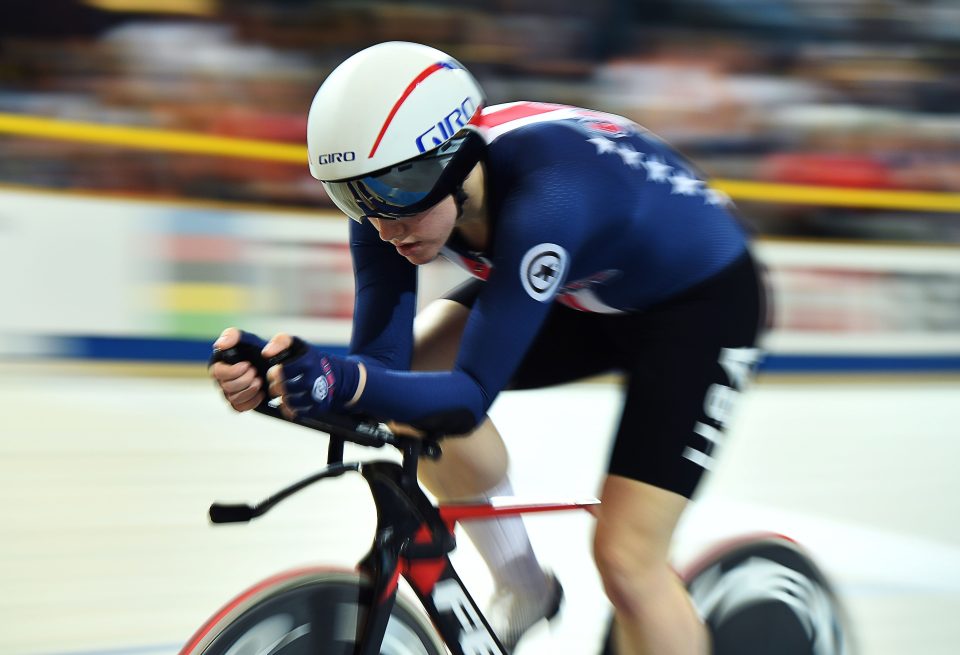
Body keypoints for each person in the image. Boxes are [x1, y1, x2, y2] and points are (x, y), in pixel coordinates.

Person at [209, 41, 766, 655]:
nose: (385, 226)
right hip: (588, 288)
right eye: (352, 196)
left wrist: (339, 382)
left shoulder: (549, 194)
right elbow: (380, 371)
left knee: (627, 559)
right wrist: (285, 380)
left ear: (457, 159)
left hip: (699, 305)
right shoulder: (389, 189)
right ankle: (524, 587)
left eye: (400, 191)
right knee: (412, 381)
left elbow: (469, 396)